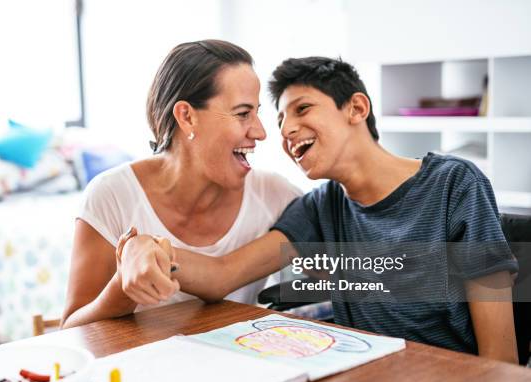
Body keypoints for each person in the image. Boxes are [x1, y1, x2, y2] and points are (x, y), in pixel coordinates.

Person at [120, 57, 519, 363]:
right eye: (280, 121)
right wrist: (149, 249)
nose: (286, 130)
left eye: (302, 109)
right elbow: (222, 275)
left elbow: (500, 358)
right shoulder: (321, 207)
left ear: (357, 108)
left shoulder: (454, 185)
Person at [60, 40, 302, 329]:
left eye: (257, 112)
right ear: (187, 116)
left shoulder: (274, 195)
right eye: (242, 113)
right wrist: (124, 286)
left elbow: (348, 278)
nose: (261, 132)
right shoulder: (111, 196)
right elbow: (71, 331)